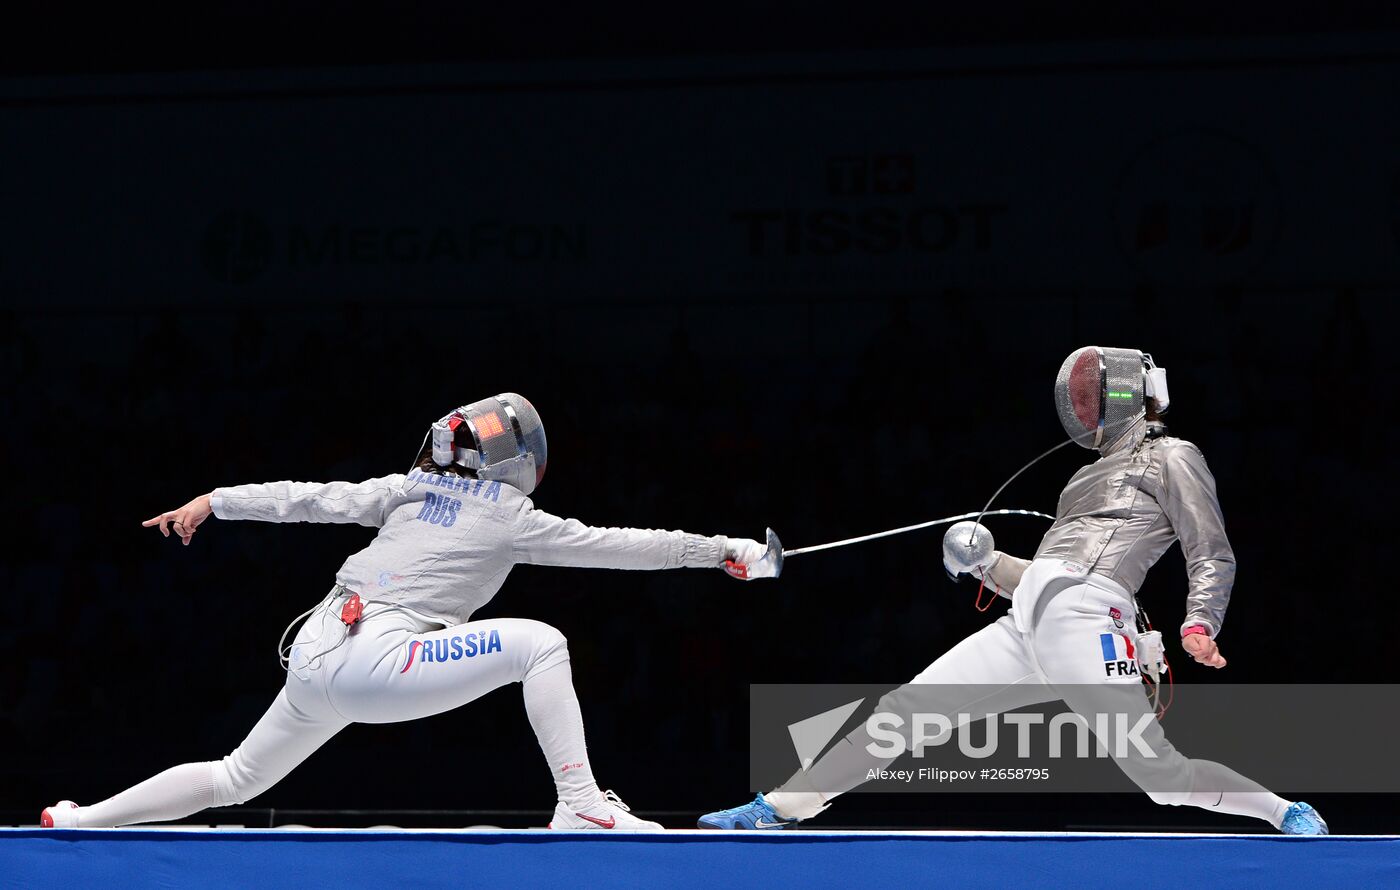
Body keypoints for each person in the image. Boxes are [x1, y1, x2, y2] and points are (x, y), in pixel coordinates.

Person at [41, 393, 778, 831]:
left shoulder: (406, 488)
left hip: (316, 648)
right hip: (380, 659)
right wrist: (725, 550)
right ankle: (582, 803)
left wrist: (215, 502)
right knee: (542, 645)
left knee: (236, 777)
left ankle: (79, 820)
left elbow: (310, 497)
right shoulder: (516, 517)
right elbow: (627, 546)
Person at [698, 348, 1326, 835]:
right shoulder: (1080, 481)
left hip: (1092, 623)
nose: (1082, 411)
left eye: (1090, 397)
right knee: (902, 714)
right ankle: (778, 808)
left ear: (1128, 393)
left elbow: (1209, 548)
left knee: (1159, 775)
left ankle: (1281, 809)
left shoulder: (1173, 456)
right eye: (1077, 400)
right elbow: (1047, 579)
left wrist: (1199, 623)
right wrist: (985, 561)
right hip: (1030, 621)